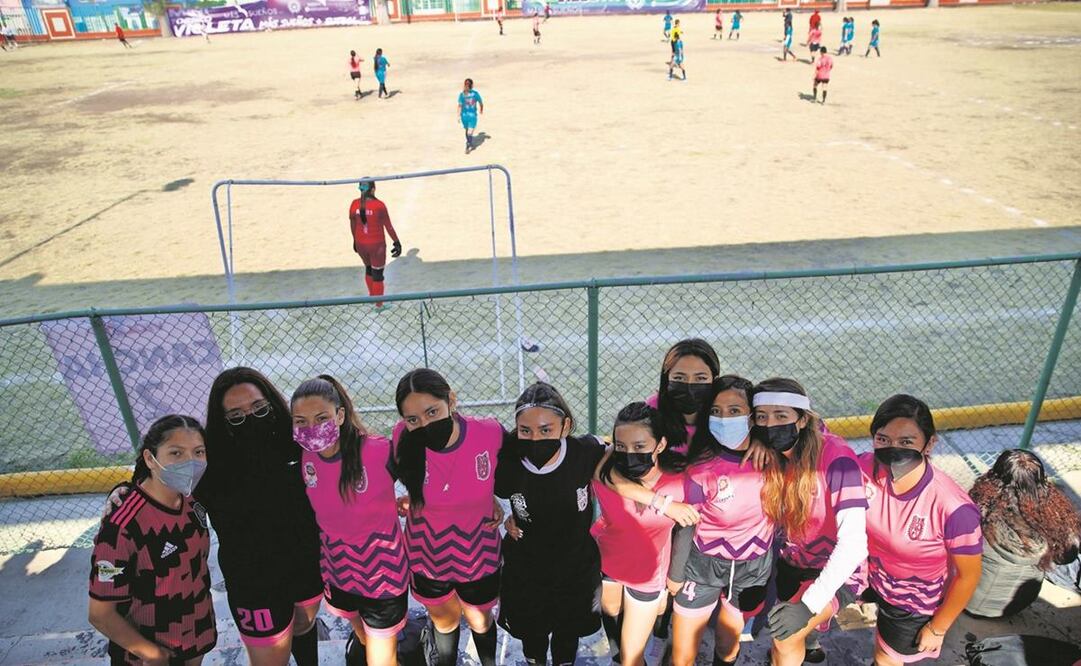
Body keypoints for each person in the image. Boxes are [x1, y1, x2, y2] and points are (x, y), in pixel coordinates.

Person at [104, 369, 324, 665]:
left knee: (304, 627)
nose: (250, 419)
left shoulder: (296, 440)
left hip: (307, 568)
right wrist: (124, 489)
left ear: (271, 403)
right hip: (253, 583)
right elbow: (160, 470)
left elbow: (340, 445)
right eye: (236, 416)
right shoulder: (210, 463)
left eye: (258, 408)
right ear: (223, 422)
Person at [747, 379, 867, 666]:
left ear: (801, 420)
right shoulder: (773, 454)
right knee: (792, 629)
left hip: (838, 570)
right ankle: (810, 644)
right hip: (793, 562)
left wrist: (808, 606)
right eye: (762, 417)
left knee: (784, 636)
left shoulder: (838, 461)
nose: (770, 425)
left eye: (781, 416)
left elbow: (854, 544)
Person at [291, 376, 409, 665]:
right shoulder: (302, 459)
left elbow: (427, 479)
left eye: (321, 418)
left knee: (382, 659)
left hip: (384, 576)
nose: (311, 428)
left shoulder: (378, 451)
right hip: (338, 571)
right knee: (364, 638)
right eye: (301, 421)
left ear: (340, 415)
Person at [860, 394, 983, 666]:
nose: (893, 449)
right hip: (876, 580)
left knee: (885, 658)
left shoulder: (954, 508)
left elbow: (968, 575)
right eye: (883, 439)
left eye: (906, 442)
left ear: (930, 443)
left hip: (912, 602)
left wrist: (938, 627)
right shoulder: (865, 468)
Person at [392, 368, 504, 666]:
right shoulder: (400, 437)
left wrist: (492, 498)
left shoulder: (489, 432)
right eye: (413, 419)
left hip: (479, 552)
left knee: (481, 621)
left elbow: (515, 475)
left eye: (432, 411)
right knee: (445, 621)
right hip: (427, 554)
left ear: (451, 400)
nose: (424, 424)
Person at [89, 415, 216, 665]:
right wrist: (151, 653)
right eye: (176, 453)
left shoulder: (192, 500)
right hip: (147, 654)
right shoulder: (123, 526)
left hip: (194, 639)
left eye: (198, 452)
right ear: (150, 459)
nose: (190, 462)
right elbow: (100, 614)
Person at [497, 383, 605, 666]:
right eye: (526, 431)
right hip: (527, 564)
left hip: (573, 564)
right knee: (533, 633)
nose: (535, 438)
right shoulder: (509, 459)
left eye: (546, 430)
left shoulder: (586, 451)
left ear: (565, 425)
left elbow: (623, 457)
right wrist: (501, 514)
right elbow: (480, 485)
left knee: (567, 632)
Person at [670, 376, 773, 666]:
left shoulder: (775, 457)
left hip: (753, 566)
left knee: (729, 646)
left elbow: (814, 427)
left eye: (734, 411)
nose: (724, 419)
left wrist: (764, 441)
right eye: (716, 411)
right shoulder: (702, 466)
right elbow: (688, 522)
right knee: (683, 653)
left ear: (753, 417)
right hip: (703, 565)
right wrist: (676, 574)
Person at [593, 402, 687, 666]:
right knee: (610, 612)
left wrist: (675, 576)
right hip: (608, 560)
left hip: (648, 575)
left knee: (632, 658)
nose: (629, 454)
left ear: (660, 445)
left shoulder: (679, 481)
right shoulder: (603, 469)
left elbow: (688, 528)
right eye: (621, 447)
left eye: (639, 447)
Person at [965, 449, 1081, 619]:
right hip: (1017, 605)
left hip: (968, 602)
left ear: (995, 475)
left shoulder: (978, 507)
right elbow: (1068, 557)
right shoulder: (1055, 514)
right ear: (1040, 479)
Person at [646, 338, 721, 459]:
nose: (690, 386)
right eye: (679, 378)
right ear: (667, 378)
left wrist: (759, 441)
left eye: (700, 378)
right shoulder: (652, 408)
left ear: (714, 379)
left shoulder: (724, 410)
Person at [349, 180, 401, 308]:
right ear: (372, 189)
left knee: (368, 269)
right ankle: (379, 305)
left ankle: (372, 297)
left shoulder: (354, 204)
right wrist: (396, 242)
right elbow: (388, 226)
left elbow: (353, 224)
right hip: (376, 245)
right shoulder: (379, 205)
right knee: (378, 274)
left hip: (361, 243)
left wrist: (355, 240)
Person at [458, 78, 484, 154]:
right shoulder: (463, 94)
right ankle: (469, 141)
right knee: (467, 131)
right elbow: (481, 103)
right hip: (466, 116)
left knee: (469, 132)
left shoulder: (473, 94)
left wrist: (458, 115)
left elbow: (459, 105)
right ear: (472, 85)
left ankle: (468, 144)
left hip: (469, 116)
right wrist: (481, 110)